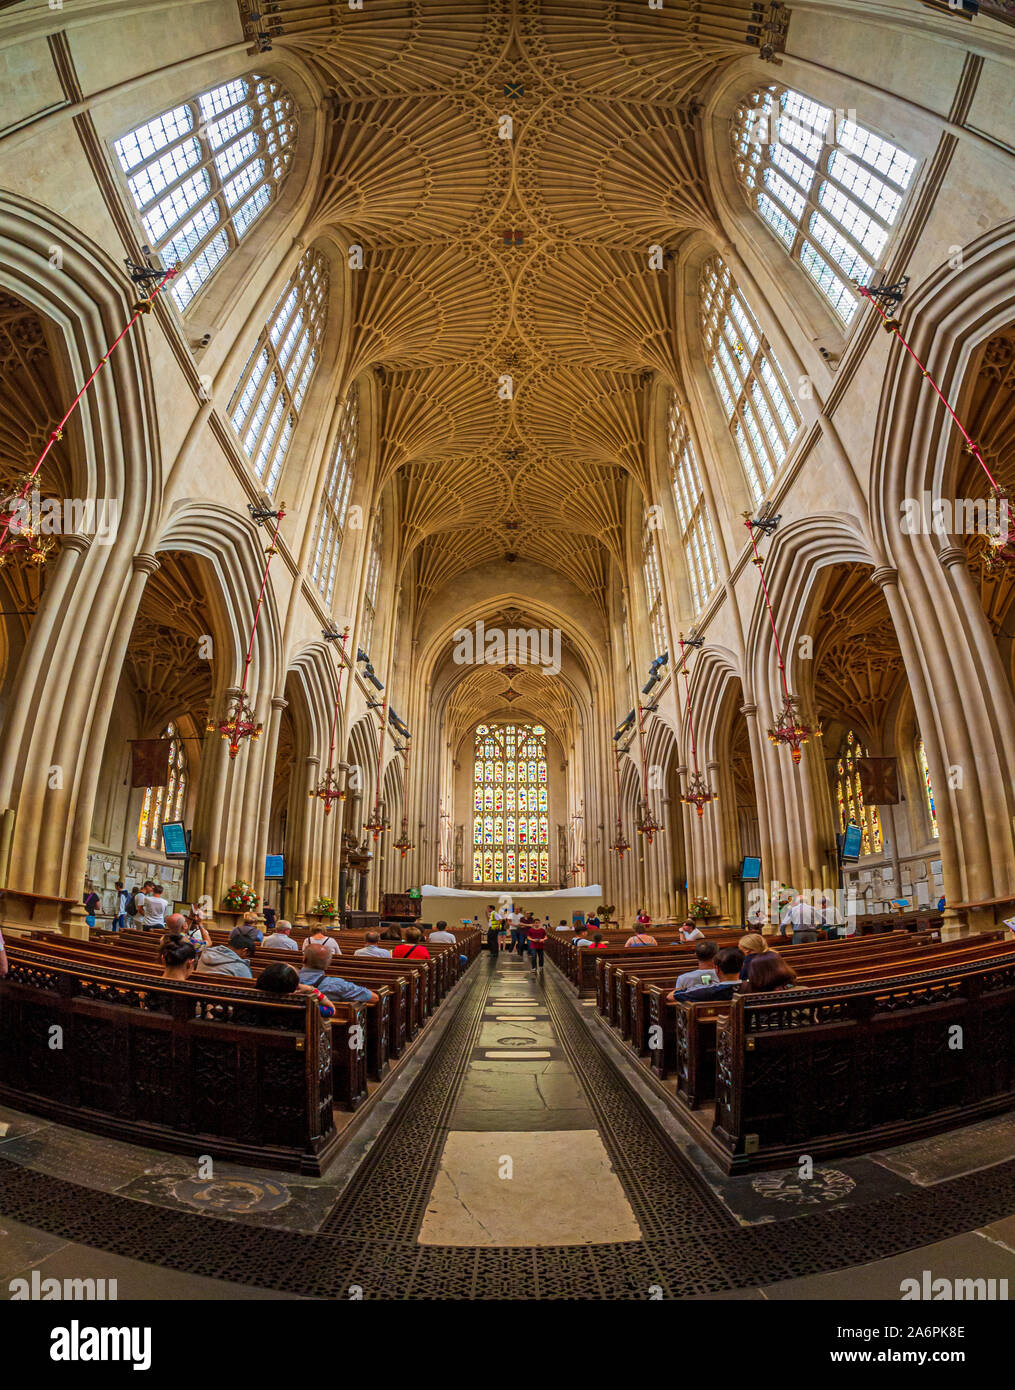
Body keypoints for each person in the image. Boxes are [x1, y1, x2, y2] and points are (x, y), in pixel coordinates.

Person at [299, 943, 378, 1002]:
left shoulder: (289, 977)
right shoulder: (335, 984)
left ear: (304, 959)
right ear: (327, 964)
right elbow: (374, 997)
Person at [256, 960, 336, 1020]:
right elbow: (331, 1010)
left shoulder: (250, 999)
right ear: (295, 987)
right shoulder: (303, 1007)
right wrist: (312, 989)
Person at [668, 947, 745, 1002]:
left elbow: (671, 996)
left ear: (717, 969)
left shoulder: (704, 992)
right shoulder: (751, 988)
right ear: (742, 966)